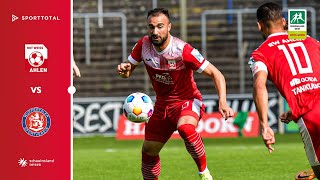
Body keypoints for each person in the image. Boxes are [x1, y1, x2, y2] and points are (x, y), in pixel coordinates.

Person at [117, 7, 234, 180]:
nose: (155, 31)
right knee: (149, 150)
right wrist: (124, 69)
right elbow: (128, 71)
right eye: (151, 27)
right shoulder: (143, 45)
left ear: (169, 27)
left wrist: (222, 102)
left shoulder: (182, 50)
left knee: (185, 128)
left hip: (188, 100)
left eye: (160, 26)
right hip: (162, 105)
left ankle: (204, 173)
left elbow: (217, 74)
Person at [248, 2, 320, 179]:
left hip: (311, 116)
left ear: (259, 25)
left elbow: (259, 86)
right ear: (284, 21)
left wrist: (265, 125)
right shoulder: (310, 40)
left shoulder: (260, 54)